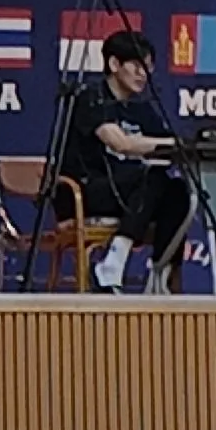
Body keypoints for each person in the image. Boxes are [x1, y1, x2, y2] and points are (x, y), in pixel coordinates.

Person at [61, 26, 191, 293]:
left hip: (135, 195)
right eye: (137, 66)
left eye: (148, 67)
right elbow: (121, 143)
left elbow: (170, 147)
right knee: (151, 177)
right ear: (114, 64)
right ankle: (114, 262)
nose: (144, 74)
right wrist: (173, 143)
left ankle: (160, 274)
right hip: (89, 191)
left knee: (178, 190)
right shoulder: (90, 99)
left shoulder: (142, 109)